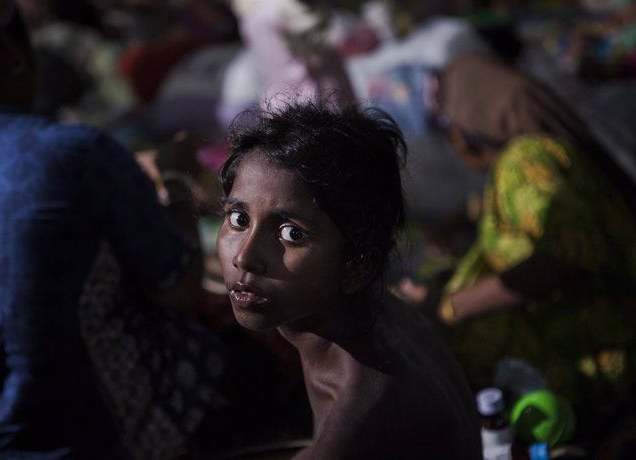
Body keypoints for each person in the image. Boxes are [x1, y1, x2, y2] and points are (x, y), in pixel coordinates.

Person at [0, 1, 225, 458]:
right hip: (79, 439)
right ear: (16, 56)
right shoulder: (72, 153)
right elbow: (180, 287)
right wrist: (174, 183)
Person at [216, 101, 482, 459]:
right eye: (238, 219)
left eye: (293, 233)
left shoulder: (359, 418)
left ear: (357, 267)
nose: (245, 257)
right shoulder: (374, 311)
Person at [402, 53, 636, 411]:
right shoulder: (529, 158)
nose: (452, 142)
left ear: (466, 129)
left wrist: (448, 308)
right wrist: (459, 221)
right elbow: (529, 211)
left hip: (596, 364)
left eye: (447, 126)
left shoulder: (525, 161)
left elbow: (564, 256)